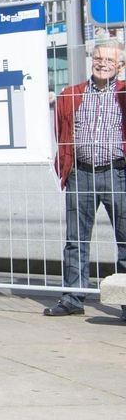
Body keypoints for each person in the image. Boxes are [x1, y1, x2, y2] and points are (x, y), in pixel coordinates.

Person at [45, 40, 126, 320]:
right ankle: (72, 298)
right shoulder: (72, 94)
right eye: (99, 57)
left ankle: (125, 300)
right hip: (81, 173)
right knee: (75, 240)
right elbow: (62, 132)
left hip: (118, 173)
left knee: (125, 240)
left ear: (120, 66)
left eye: (110, 60)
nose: (103, 63)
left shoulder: (124, 93)